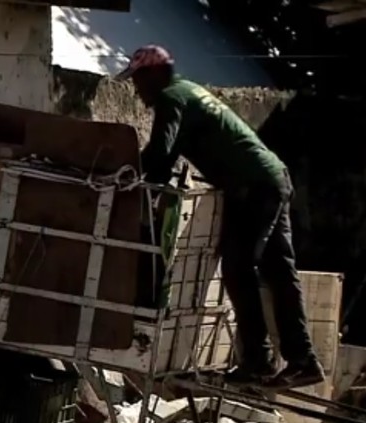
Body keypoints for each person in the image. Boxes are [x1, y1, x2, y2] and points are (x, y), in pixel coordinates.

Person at [116, 44, 324, 390]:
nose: (136, 92)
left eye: (138, 81)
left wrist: (126, 181)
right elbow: (165, 158)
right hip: (272, 177)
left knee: (238, 268)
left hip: (253, 187)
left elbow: (160, 156)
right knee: (279, 272)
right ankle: (302, 360)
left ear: (153, 76)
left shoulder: (171, 98)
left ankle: (258, 361)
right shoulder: (188, 91)